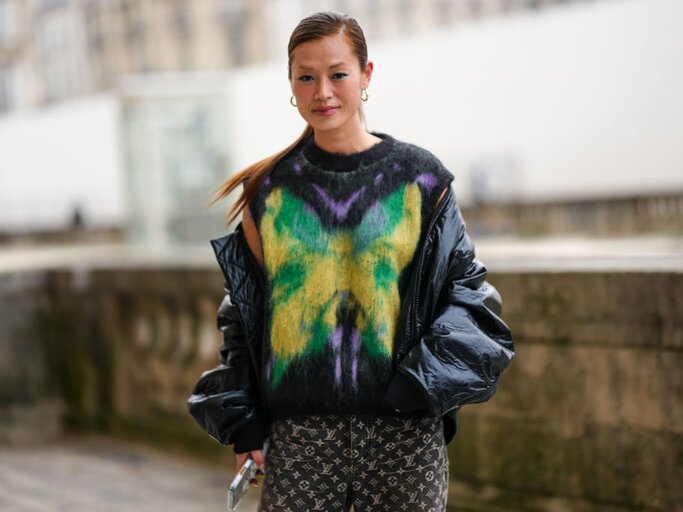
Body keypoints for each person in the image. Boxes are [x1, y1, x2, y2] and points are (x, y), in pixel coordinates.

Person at [188, 11, 514, 512]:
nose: (323, 91)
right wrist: (245, 423)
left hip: (405, 436)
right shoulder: (268, 193)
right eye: (306, 76)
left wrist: (417, 385)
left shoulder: (422, 180)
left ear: (366, 76)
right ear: (291, 85)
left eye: (338, 74)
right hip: (299, 438)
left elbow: (467, 291)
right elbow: (244, 317)